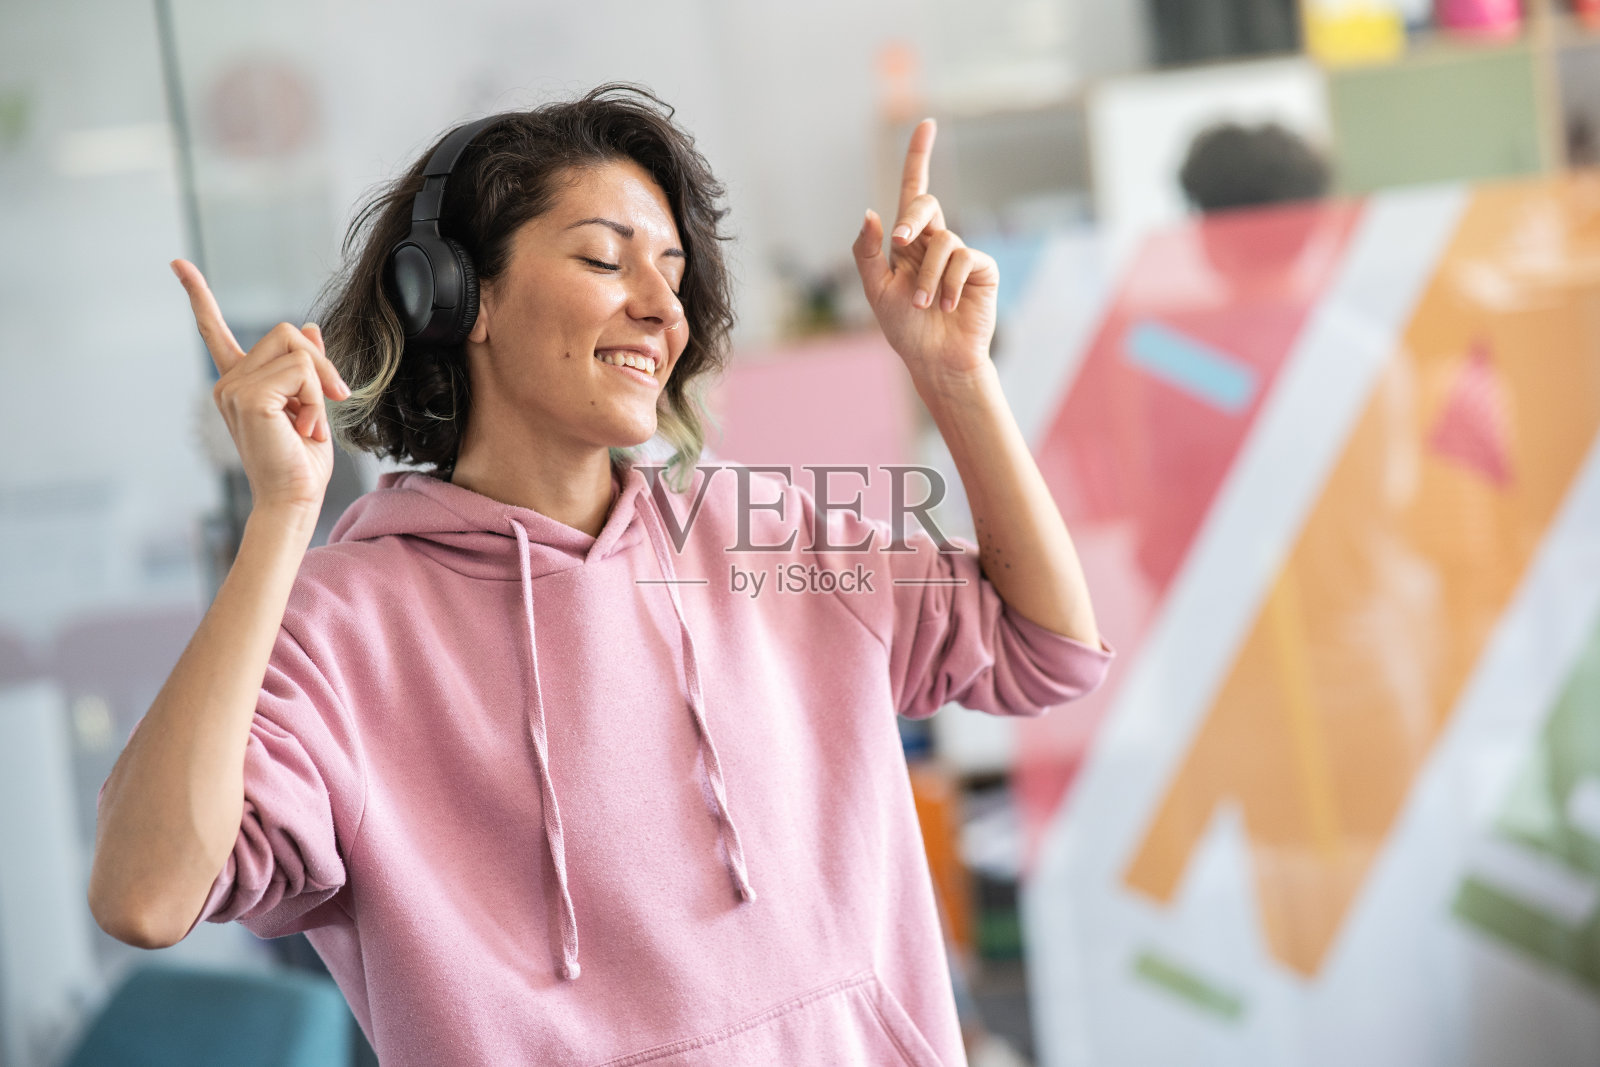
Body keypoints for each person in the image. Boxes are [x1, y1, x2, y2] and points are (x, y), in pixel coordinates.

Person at [88, 84, 1114, 1065]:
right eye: (603, 258)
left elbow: (1048, 651)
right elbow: (144, 894)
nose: (660, 308)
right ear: (456, 298)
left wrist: (954, 376)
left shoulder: (762, 535)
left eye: (672, 272)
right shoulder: (346, 623)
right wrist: (281, 516)